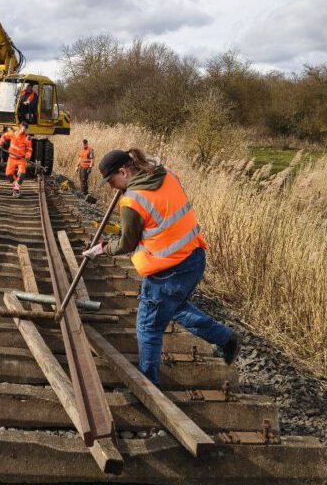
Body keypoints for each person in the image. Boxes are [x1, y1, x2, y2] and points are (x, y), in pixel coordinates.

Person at [82, 148, 239, 385]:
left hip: (168, 269)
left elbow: (127, 243)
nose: (111, 187)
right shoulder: (165, 173)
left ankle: (149, 387)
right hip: (194, 257)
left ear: (123, 172)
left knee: (148, 328)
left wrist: (102, 248)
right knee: (173, 308)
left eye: (111, 181)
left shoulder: (133, 200)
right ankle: (226, 339)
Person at [0, 121, 33, 194]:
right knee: (8, 174)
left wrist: (27, 156)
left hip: (21, 159)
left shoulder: (27, 138)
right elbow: (4, 136)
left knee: (21, 174)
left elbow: (29, 149)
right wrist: (0, 145)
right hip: (11, 158)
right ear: (20, 127)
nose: (23, 130)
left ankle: (16, 190)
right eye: (23, 128)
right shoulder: (12, 133)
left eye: (25, 128)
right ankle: (15, 186)